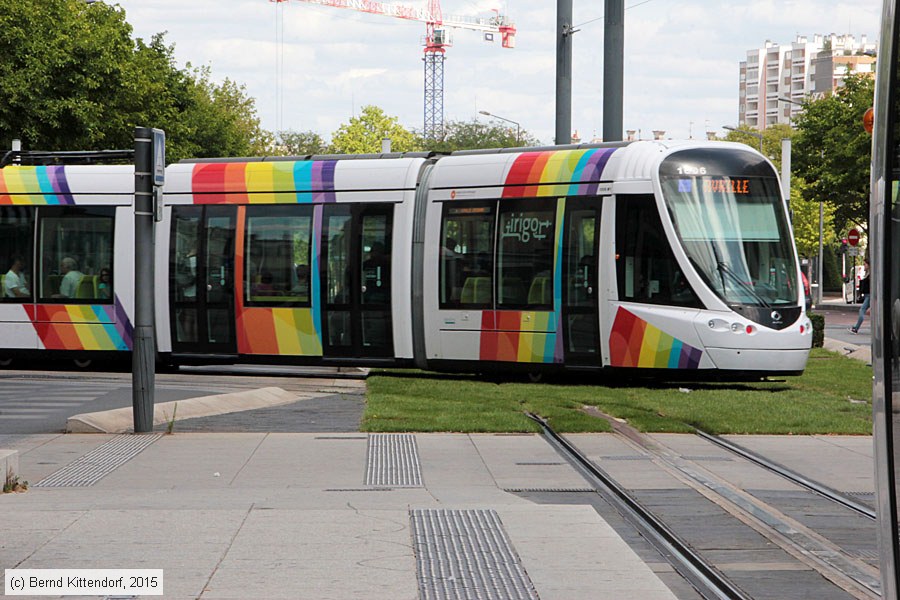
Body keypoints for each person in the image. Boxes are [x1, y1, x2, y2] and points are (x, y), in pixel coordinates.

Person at [850, 259, 870, 334]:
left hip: (869, 296)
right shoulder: (867, 274)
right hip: (867, 295)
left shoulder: (870, 276)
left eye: (865, 264)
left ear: (869, 265)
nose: (864, 266)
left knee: (862, 310)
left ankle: (856, 328)